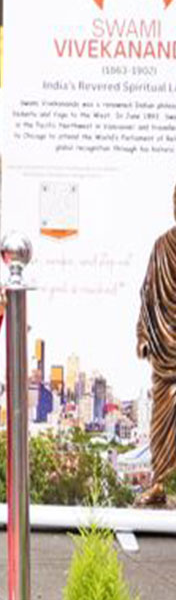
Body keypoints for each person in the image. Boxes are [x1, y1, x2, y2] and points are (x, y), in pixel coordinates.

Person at [136, 188, 176, 505]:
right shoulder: (162, 245)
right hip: (164, 347)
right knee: (161, 417)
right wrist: (142, 334)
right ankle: (160, 481)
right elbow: (147, 293)